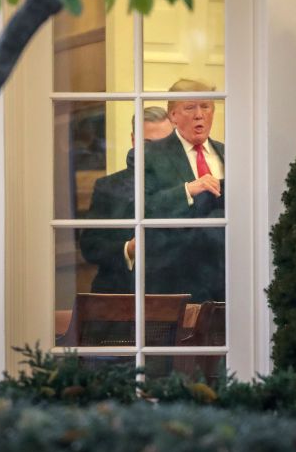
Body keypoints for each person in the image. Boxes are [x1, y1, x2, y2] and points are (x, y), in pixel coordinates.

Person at [143, 78, 225, 302]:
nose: (199, 115)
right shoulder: (149, 155)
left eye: (206, 106)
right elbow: (143, 208)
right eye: (190, 108)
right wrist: (188, 190)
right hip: (175, 283)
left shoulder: (230, 153)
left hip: (227, 280)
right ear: (173, 116)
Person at [79, 107, 173, 293]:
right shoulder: (108, 186)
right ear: (133, 140)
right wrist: (127, 250)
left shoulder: (188, 185)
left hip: (176, 292)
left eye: (164, 143)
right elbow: (90, 246)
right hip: (119, 296)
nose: (157, 151)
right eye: (148, 143)